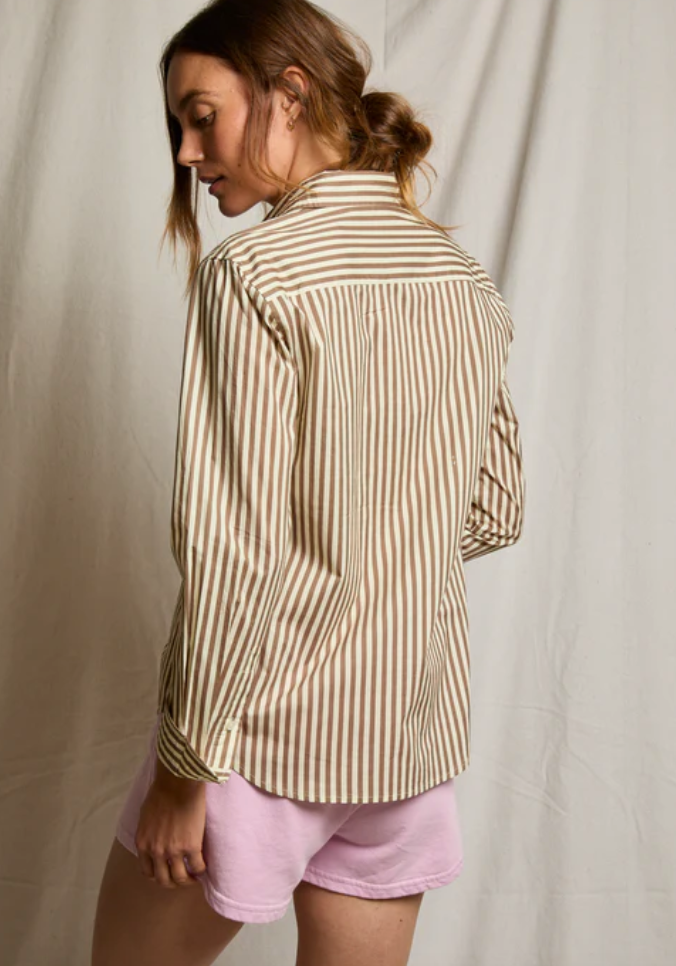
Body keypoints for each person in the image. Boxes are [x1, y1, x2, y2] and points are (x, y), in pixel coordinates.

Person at [90, 0, 525, 963]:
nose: (187, 153)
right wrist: (376, 550)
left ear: (289, 92)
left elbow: (233, 553)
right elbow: (496, 506)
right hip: (404, 742)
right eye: (178, 127)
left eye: (201, 117)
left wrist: (183, 772)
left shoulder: (258, 274)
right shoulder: (457, 272)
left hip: (257, 739)